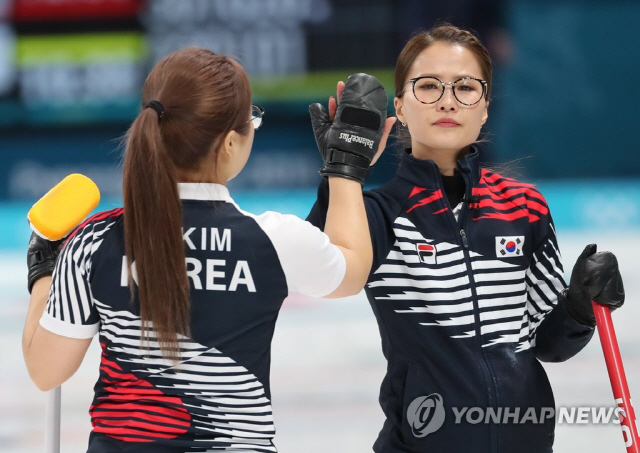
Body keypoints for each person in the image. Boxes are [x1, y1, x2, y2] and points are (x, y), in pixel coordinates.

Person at [22, 48, 393, 452]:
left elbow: (46, 371)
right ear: (231, 142)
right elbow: (352, 268)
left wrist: (44, 266)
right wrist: (346, 165)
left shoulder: (93, 241)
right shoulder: (276, 240)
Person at [307, 24, 625, 453]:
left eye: (466, 88)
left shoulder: (524, 206)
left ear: (486, 107)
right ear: (399, 106)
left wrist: (580, 306)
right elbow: (316, 272)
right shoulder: (376, 214)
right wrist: (341, 173)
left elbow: (549, 343)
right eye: (429, 86)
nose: (448, 101)